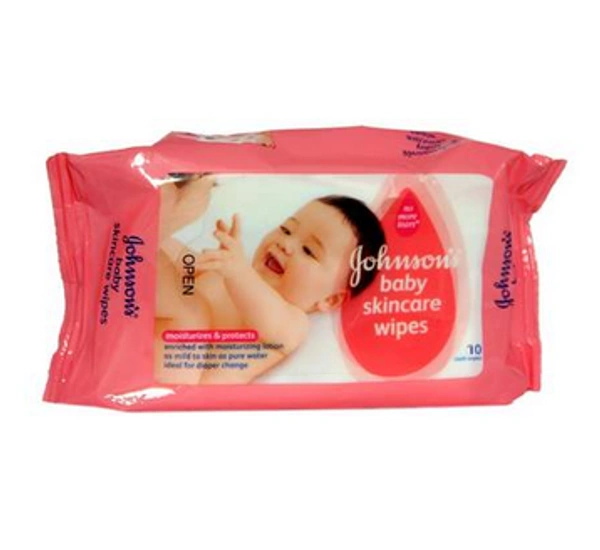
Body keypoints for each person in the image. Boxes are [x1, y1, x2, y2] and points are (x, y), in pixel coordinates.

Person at [155, 175, 386, 384]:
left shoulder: (293, 323)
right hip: (152, 337)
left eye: (308, 251)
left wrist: (237, 270)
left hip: (182, 378)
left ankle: (155, 226)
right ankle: (151, 229)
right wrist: (177, 248)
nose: (286, 244)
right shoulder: (227, 274)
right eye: (286, 230)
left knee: (192, 313)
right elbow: (186, 266)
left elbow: (262, 310)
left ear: (330, 300)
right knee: (177, 257)